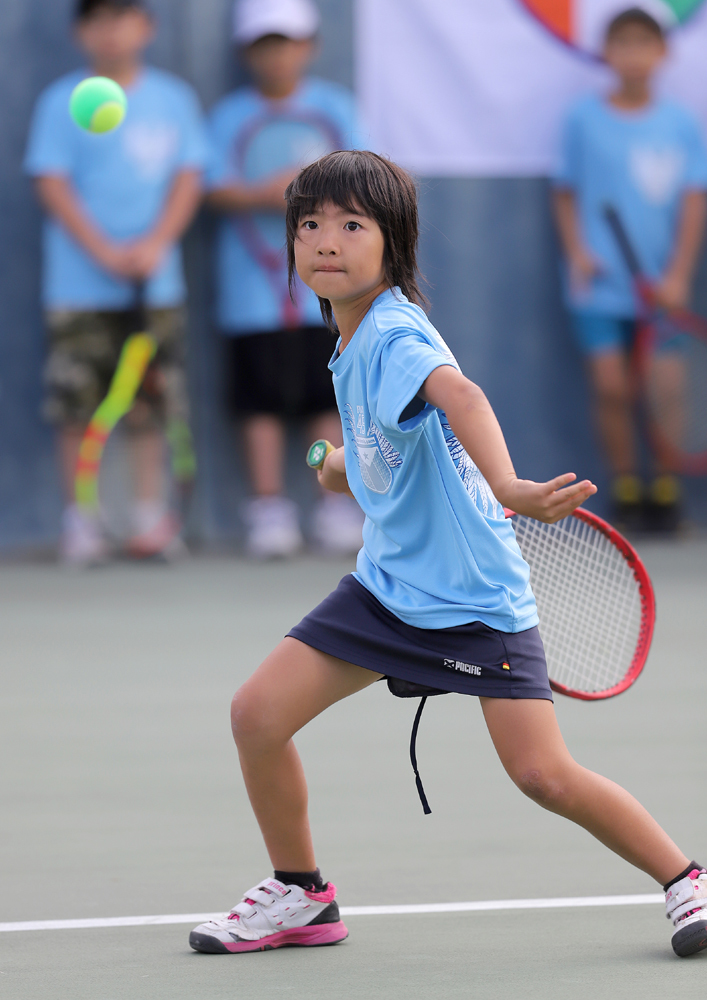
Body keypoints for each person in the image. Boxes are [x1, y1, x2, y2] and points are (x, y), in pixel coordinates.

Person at [188, 150, 707, 959]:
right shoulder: (348, 340)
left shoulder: (393, 329)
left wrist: (506, 485)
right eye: (309, 226)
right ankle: (300, 894)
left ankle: (686, 880)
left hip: (473, 603)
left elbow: (458, 395)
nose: (326, 241)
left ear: (391, 245)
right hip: (388, 591)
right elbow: (384, 460)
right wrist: (337, 467)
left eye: (350, 225)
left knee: (543, 777)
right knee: (256, 715)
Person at [25, 0, 208, 565]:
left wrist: (154, 243)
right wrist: (104, 251)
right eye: (97, 18)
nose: (111, 30)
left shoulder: (174, 99)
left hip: (155, 287)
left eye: (123, 15)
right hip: (78, 288)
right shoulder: (60, 101)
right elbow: (51, 182)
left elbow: (188, 176)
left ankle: (148, 517)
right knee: (77, 406)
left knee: (149, 404)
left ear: (146, 27)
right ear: (82, 32)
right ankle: (82, 520)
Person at [207, 0, 364, 558]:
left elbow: (366, 185)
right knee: (262, 402)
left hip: (330, 289)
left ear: (311, 46)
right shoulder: (230, 116)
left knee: (331, 394)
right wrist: (261, 194)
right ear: (247, 53)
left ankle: (335, 505)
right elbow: (212, 185)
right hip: (252, 295)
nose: (277, 55)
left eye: (289, 42)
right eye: (265, 44)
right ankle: (268, 511)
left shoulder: (337, 109)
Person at [553, 7, 707, 533]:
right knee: (612, 387)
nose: (635, 56)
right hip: (598, 287)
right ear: (607, 53)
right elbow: (566, 194)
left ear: (663, 54)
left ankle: (664, 490)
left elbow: (692, 201)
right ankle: (624, 489)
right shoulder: (582, 120)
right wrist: (578, 251)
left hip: (662, 290)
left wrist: (679, 274)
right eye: (624, 44)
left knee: (666, 387)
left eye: (646, 44)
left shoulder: (681, 124)